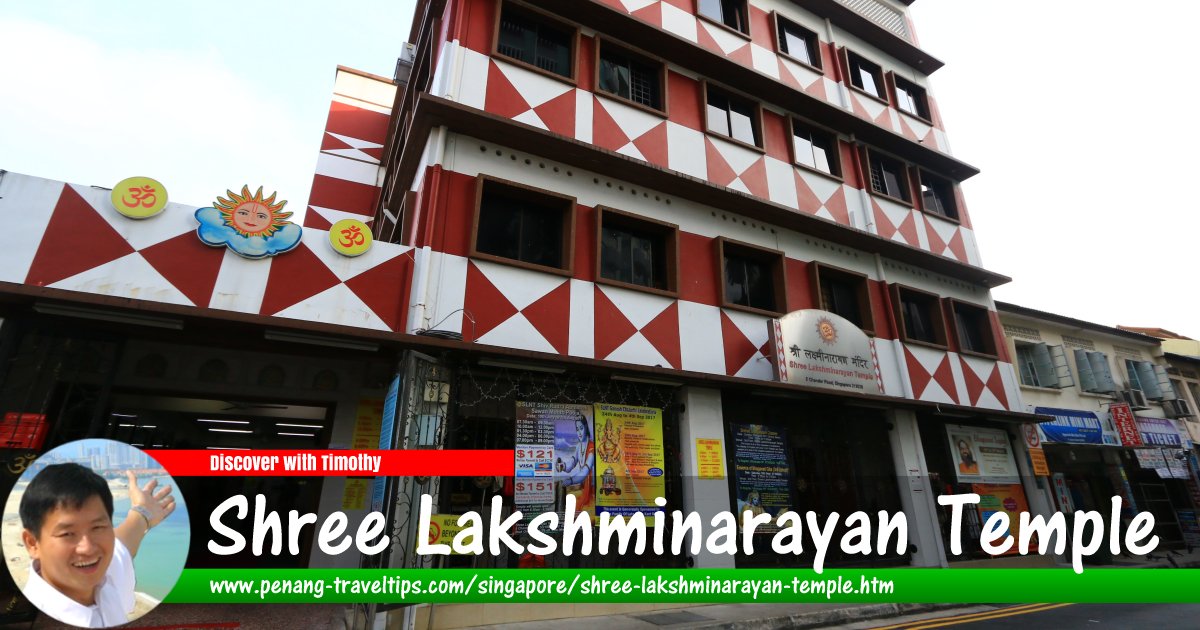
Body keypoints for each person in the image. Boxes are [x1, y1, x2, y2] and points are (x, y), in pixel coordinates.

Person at [19, 464, 176, 628]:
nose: (88, 548)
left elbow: (123, 544)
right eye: (67, 534)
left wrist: (143, 512)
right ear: (32, 543)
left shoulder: (104, 576)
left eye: (97, 527)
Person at [556, 414, 595, 510]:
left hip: (592, 489)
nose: (579, 432)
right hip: (583, 485)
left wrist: (571, 481)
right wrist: (563, 466)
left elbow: (584, 472)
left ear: (586, 427)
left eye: (581, 428)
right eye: (577, 429)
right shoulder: (579, 446)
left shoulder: (592, 447)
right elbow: (572, 463)